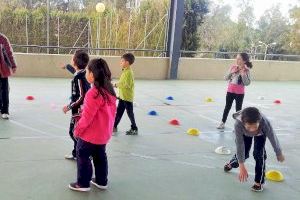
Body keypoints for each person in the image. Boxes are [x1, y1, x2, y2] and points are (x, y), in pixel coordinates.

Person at [69, 58, 117, 192]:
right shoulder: (110, 91)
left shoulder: (93, 93)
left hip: (90, 135)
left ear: (92, 75)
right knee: (100, 157)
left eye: (87, 71)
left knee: (82, 155)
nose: (85, 74)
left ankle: (83, 183)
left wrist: (77, 130)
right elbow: (112, 114)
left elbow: (87, 118)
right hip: (103, 135)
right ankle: (102, 181)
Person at [224, 107, 285, 192]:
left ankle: (258, 182)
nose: (252, 130)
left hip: (260, 134)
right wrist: (241, 165)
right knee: (243, 154)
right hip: (244, 134)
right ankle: (231, 163)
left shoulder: (264, 123)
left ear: (259, 122)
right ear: (243, 123)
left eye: (254, 127)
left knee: (259, 155)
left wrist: (279, 152)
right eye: (249, 127)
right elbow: (239, 145)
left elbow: (272, 137)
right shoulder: (238, 125)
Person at [62, 50, 90, 160]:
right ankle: (76, 153)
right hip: (78, 109)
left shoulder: (80, 78)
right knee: (76, 132)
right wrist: (67, 66)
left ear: (75, 61)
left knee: (73, 132)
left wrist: (69, 107)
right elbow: (74, 71)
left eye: (72, 57)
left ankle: (86, 152)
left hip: (79, 110)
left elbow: (82, 97)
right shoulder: (81, 74)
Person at [217, 53, 252, 129]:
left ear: (244, 61)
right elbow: (225, 78)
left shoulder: (247, 70)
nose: (237, 60)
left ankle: (238, 126)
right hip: (230, 91)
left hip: (239, 93)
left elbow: (247, 83)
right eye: (237, 58)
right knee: (227, 107)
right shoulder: (233, 67)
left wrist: (243, 74)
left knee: (238, 110)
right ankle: (222, 123)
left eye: (239, 59)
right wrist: (232, 72)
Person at [113, 53, 138, 135]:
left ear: (127, 62)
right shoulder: (125, 71)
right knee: (119, 112)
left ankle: (134, 128)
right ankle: (114, 126)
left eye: (122, 61)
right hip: (122, 96)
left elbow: (127, 85)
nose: (121, 62)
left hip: (127, 97)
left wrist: (116, 85)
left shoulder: (129, 73)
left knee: (130, 113)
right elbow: (123, 82)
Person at [0, 33, 17, 119]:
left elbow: (9, 53)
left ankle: (5, 110)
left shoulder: (3, 39)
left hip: (2, 70)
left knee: (4, 90)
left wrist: (13, 65)